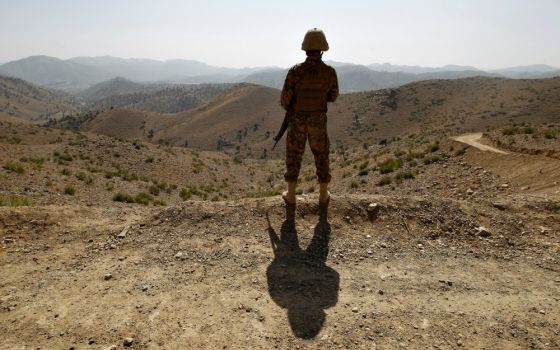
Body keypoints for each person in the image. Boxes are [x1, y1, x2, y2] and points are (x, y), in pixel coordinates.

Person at [280, 28, 339, 206]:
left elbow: (285, 100)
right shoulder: (330, 72)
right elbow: (333, 96)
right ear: (322, 50)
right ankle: (323, 194)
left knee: (294, 155)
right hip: (318, 121)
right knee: (321, 155)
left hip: (297, 120)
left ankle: (291, 195)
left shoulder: (295, 71)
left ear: (305, 49)